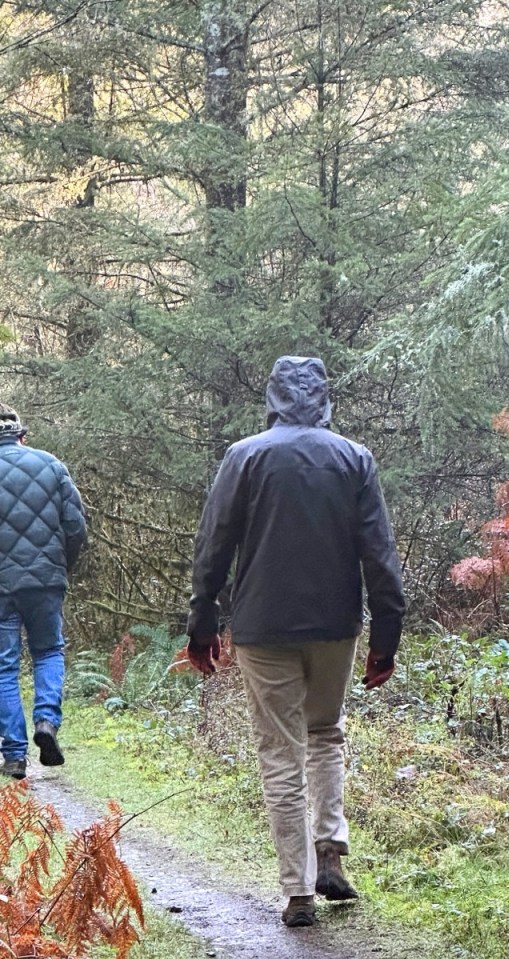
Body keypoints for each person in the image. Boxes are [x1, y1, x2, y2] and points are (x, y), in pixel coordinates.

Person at [185, 355, 405, 929]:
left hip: (263, 626)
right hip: (336, 624)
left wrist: (201, 623)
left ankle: (298, 891)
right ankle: (329, 851)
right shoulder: (353, 458)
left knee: (281, 751)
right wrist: (387, 634)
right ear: (323, 399)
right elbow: (379, 554)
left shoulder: (245, 457)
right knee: (325, 732)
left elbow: (214, 547)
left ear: (273, 396)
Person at [0, 405, 87, 779]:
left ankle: (14, 756)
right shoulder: (52, 466)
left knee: (3, 667)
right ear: (23, 436)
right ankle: (46, 722)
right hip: (46, 582)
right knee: (48, 650)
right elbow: (76, 526)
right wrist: (58, 567)